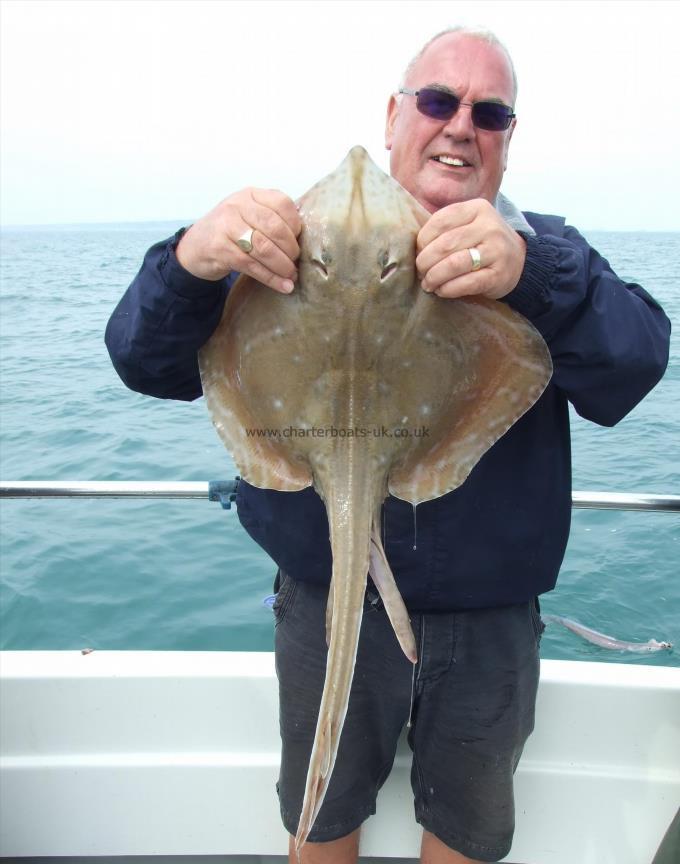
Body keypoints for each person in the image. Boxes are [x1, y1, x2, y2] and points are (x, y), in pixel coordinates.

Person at [105, 27, 671, 864]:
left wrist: (529, 276)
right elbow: (142, 360)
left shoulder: (540, 250)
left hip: (488, 623)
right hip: (323, 596)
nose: (459, 125)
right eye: (438, 101)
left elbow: (635, 366)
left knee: (466, 835)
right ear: (395, 115)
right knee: (320, 819)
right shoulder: (291, 246)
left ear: (508, 138)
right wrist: (190, 261)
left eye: (490, 112)